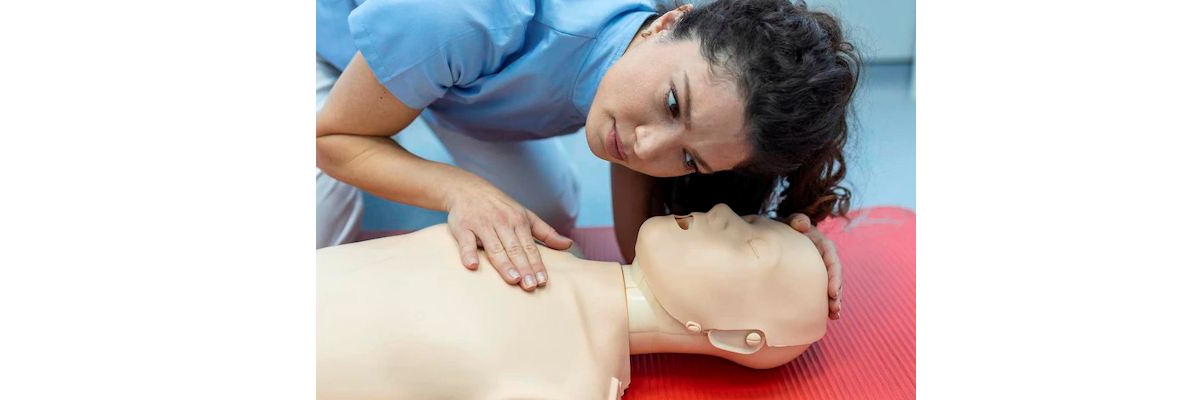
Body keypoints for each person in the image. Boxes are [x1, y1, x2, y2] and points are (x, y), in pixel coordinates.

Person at [316, 0, 853, 319]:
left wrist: (782, 253)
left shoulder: (650, 64)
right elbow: (333, 136)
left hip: (450, 77)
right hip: (323, 43)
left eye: (689, 158)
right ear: (668, 23)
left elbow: (641, 252)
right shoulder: (465, 16)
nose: (647, 149)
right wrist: (461, 190)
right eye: (672, 104)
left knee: (542, 222)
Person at [317, 204, 829, 399]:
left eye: (751, 247)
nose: (722, 212)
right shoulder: (548, 244)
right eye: (753, 219)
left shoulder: (564, 380)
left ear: (738, 338)